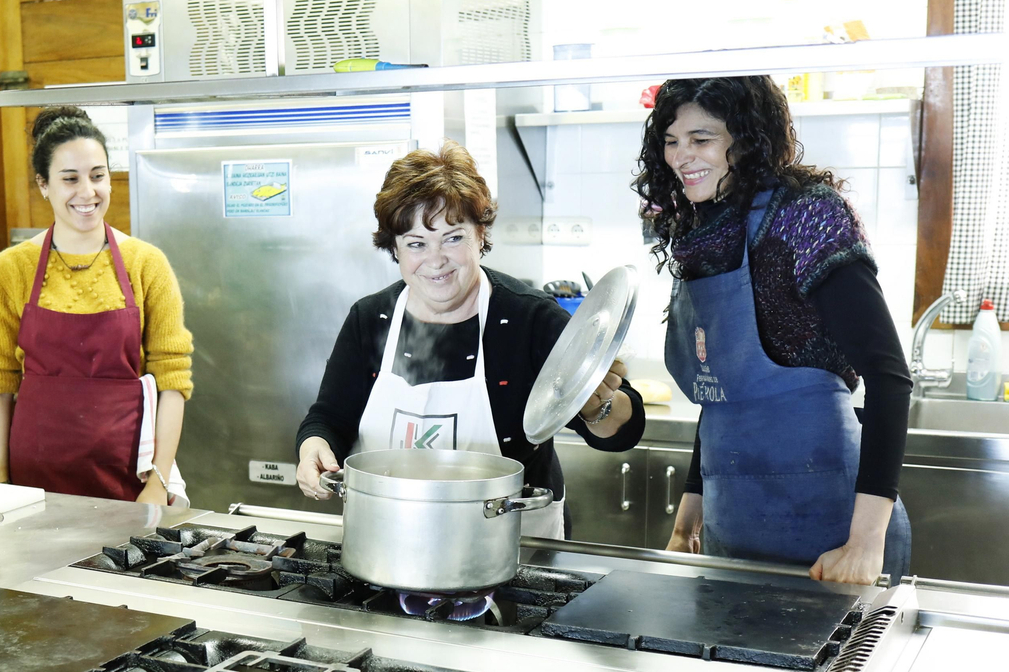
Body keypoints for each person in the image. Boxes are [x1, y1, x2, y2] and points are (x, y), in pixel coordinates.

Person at [634, 76, 912, 584]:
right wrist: (687, 523)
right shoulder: (702, 231)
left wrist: (865, 544)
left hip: (833, 532)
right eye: (671, 141)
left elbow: (889, 377)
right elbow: (721, 391)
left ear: (748, 138)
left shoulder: (807, 215)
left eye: (701, 138)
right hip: (732, 529)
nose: (680, 157)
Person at [296, 142, 644, 539]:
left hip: (510, 545)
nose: (436, 259)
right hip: (389, 540)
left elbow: (622, 432)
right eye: (416, 243)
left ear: (480, 234)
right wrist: (313, 449)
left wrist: (598, 405)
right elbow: (329, 419)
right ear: (395, 248)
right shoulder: (371, 318)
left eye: (453, 237)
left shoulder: (529, 318)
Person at [0, 105, 193, 503]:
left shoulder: (146, 265)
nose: (87, 192)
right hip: (33, 482)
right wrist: (2, 485)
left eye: (98, 176)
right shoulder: (8, 271)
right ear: (44, 185)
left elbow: (172, 382)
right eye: (70, 179)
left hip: (129, 479)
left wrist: (158, 483)